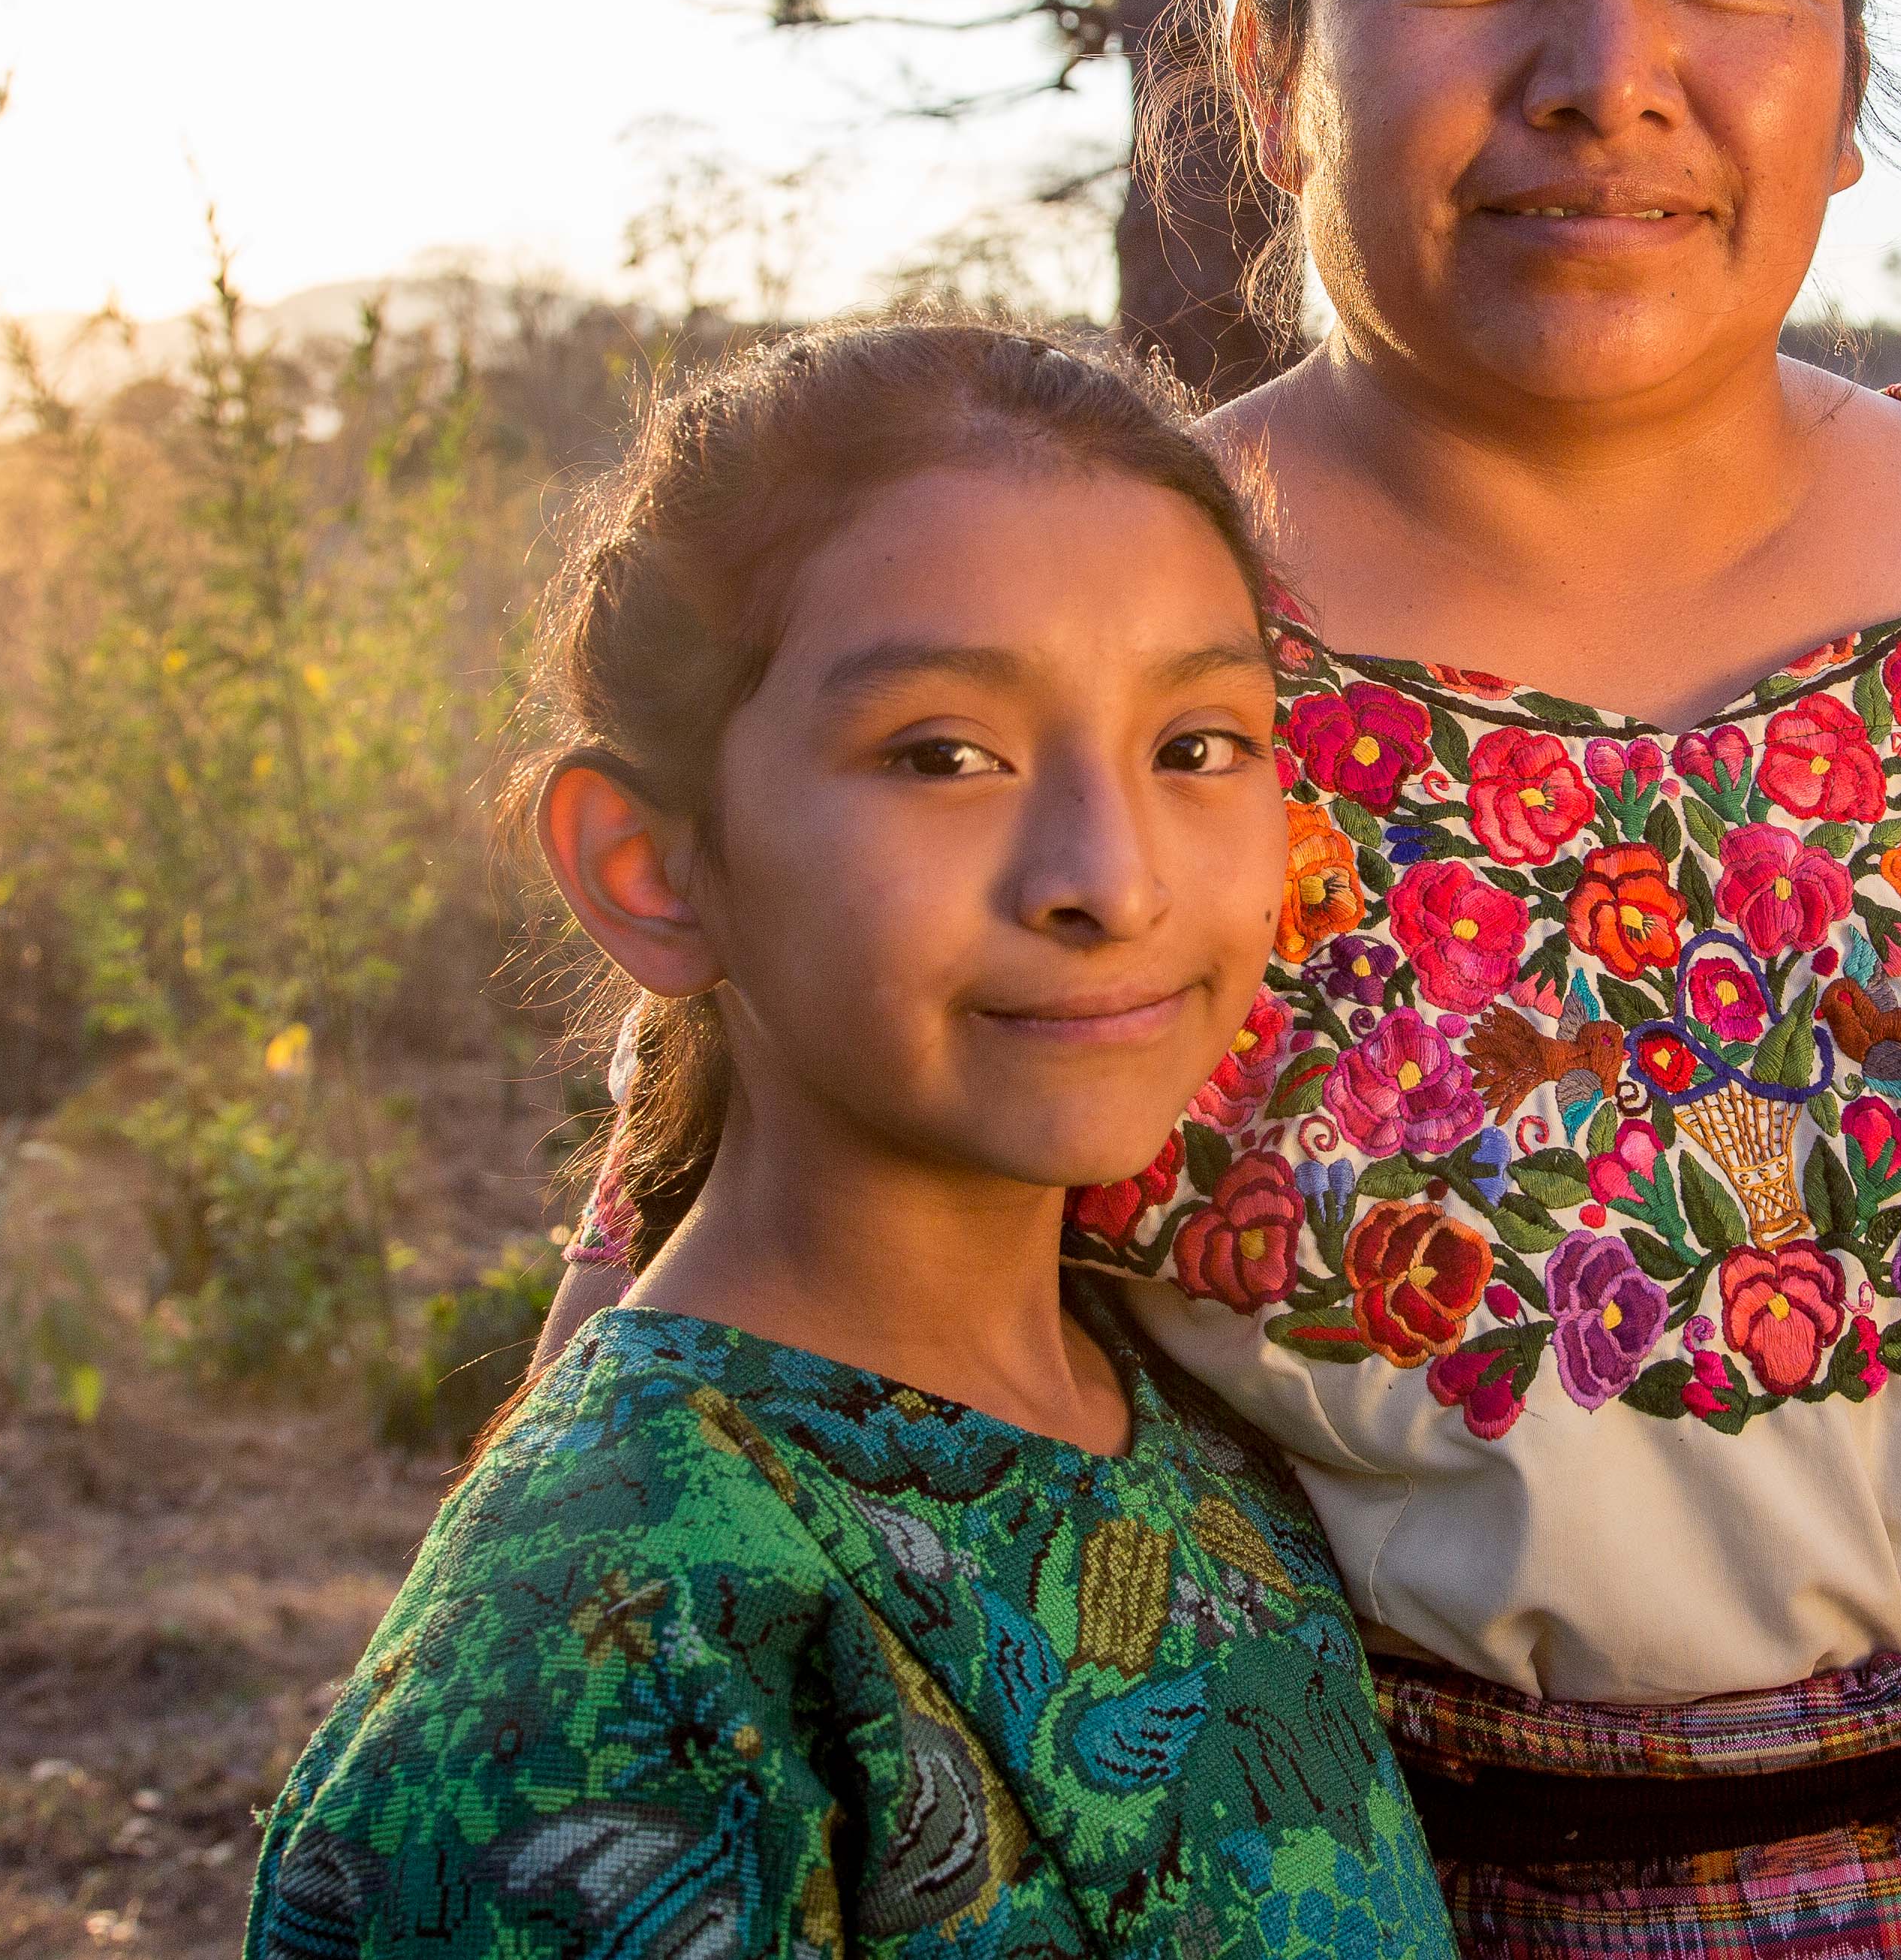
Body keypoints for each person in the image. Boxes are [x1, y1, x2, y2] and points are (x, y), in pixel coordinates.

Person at [554, 0, 1901, 1958]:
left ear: (1840, 53)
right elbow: (722, 1449)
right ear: (1273, 43)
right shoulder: (1081, 658)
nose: (1607, 70)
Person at [248, 322, 1458, 1960]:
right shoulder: (601, 1661)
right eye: (942, 755)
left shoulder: (1196, 1429)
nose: (1113, 877)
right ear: (651, 869)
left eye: (1197, 746)